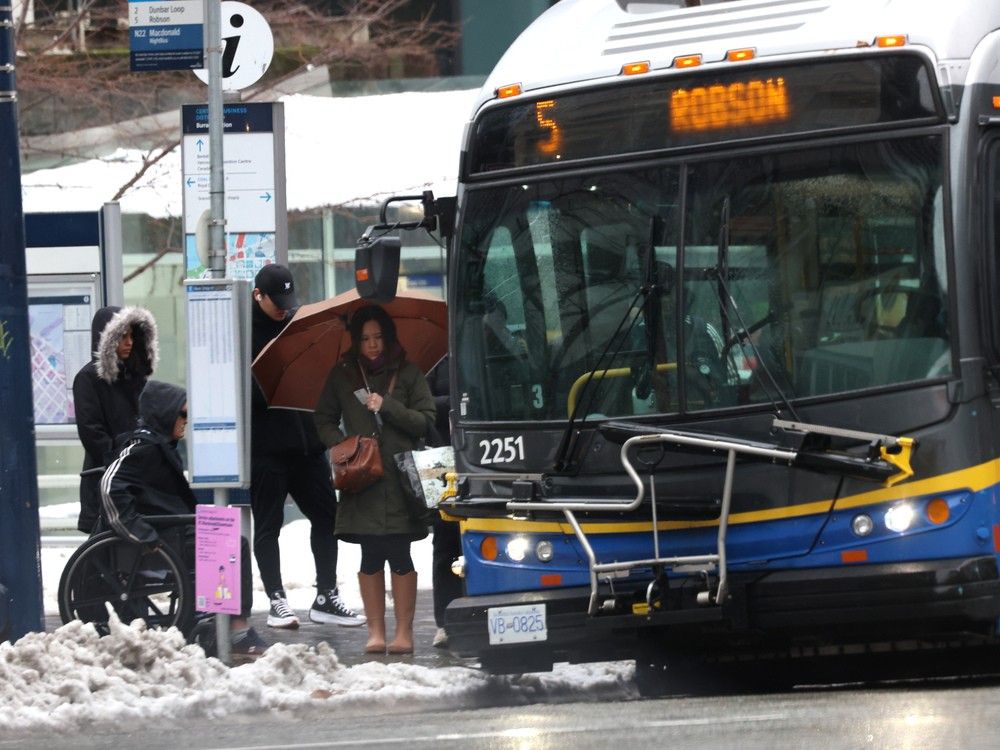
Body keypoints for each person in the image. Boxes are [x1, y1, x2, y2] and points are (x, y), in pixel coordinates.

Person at [100, 380, 268, 661]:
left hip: (171, 531)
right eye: (183, 415)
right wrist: (142, 534)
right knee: (232, 544)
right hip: (160, 539)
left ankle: (223, 620)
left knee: (227, 536)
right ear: (165, 413)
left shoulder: (159, 446)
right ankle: (237, 629)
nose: (187, 421)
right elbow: (109, 485)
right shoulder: (142, 447)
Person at [314, 304, 436, 655]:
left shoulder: (409, 374)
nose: (372, 345)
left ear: (388, 337)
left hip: (400, 480)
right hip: (361, 480)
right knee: (369, 554)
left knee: (400, 552)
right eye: (365, 338)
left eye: (378, 337)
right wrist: (341, 447)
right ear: (356, 340)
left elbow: (424, 420)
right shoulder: (343, 375)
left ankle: (404, 633)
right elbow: (322, 418)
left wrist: (386, 406)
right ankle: (376, 633)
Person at [250, 264, 364, 630]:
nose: (284, 308)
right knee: (269, 525)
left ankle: (326, 596)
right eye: (276, 302)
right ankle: (276, 599)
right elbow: (246, 392)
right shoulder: (245, 333)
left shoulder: (300, 325)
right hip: (267, 447)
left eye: (288, 300)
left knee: (327, 517)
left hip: (307, 444)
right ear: (258, 296)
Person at [73, 305, 158, 533]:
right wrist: (122, 457)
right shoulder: (88, 378)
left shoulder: (136, 377)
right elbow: (91, 433)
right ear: (106, 339)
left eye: (132, 336)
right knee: (105, 548)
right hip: (106, 476)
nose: (129, 342)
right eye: (122, 336)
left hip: (136, 477)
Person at [426, 355, 462, 649]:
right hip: (441, 456)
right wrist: (457, 402)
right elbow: (421, 404)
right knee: (445, 540)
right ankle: (446, 622)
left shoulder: (491, 336)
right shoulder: (433, 356)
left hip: (485, 447)